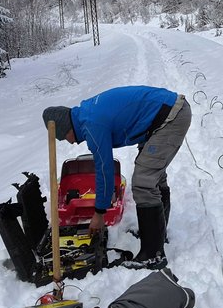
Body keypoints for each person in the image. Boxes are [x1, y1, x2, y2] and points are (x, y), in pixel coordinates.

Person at [42, 86, 191, 269]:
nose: (70, 142)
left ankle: (153, 255)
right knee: (153, 175)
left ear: (67, 128)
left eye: (64, 137)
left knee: (144, 181)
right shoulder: (86, 114)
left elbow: (105, 168)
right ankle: (157, 235)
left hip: (171, 117)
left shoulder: (92, 125)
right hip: (166, 114)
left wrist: (99, 212)